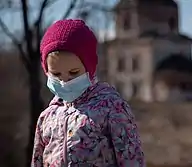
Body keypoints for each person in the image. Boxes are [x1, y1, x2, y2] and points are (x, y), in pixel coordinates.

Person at [31, 19, 145, 167]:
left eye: (73, 73)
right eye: (56, 74)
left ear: (89, 67)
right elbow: (37, 160)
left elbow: (132, 159)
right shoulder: (47, 117)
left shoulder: (112, 108)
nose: (65, 81)